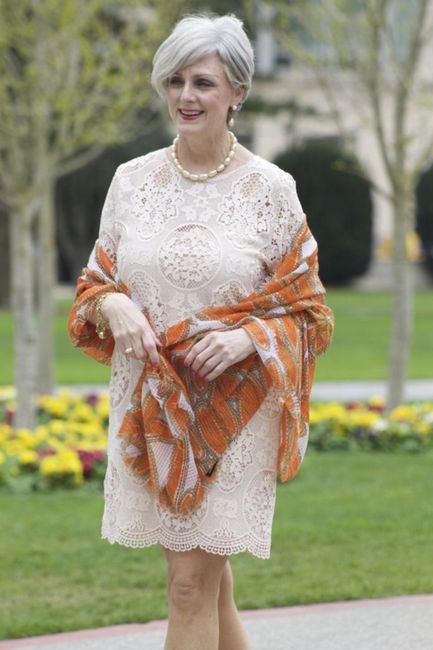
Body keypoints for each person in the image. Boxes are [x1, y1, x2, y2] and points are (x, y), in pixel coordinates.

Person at [67, 13, 333, 650]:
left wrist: (249, 338)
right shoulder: (131, 180)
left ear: (237, 92)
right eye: (175, 81)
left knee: (188, 588)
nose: (186, 96)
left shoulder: (271, 189)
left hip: (232, 413)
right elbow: (94, 283)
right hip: (152, 405)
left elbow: (309, 310)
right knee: (208, 586)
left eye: (203, 83)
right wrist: (115, 305)